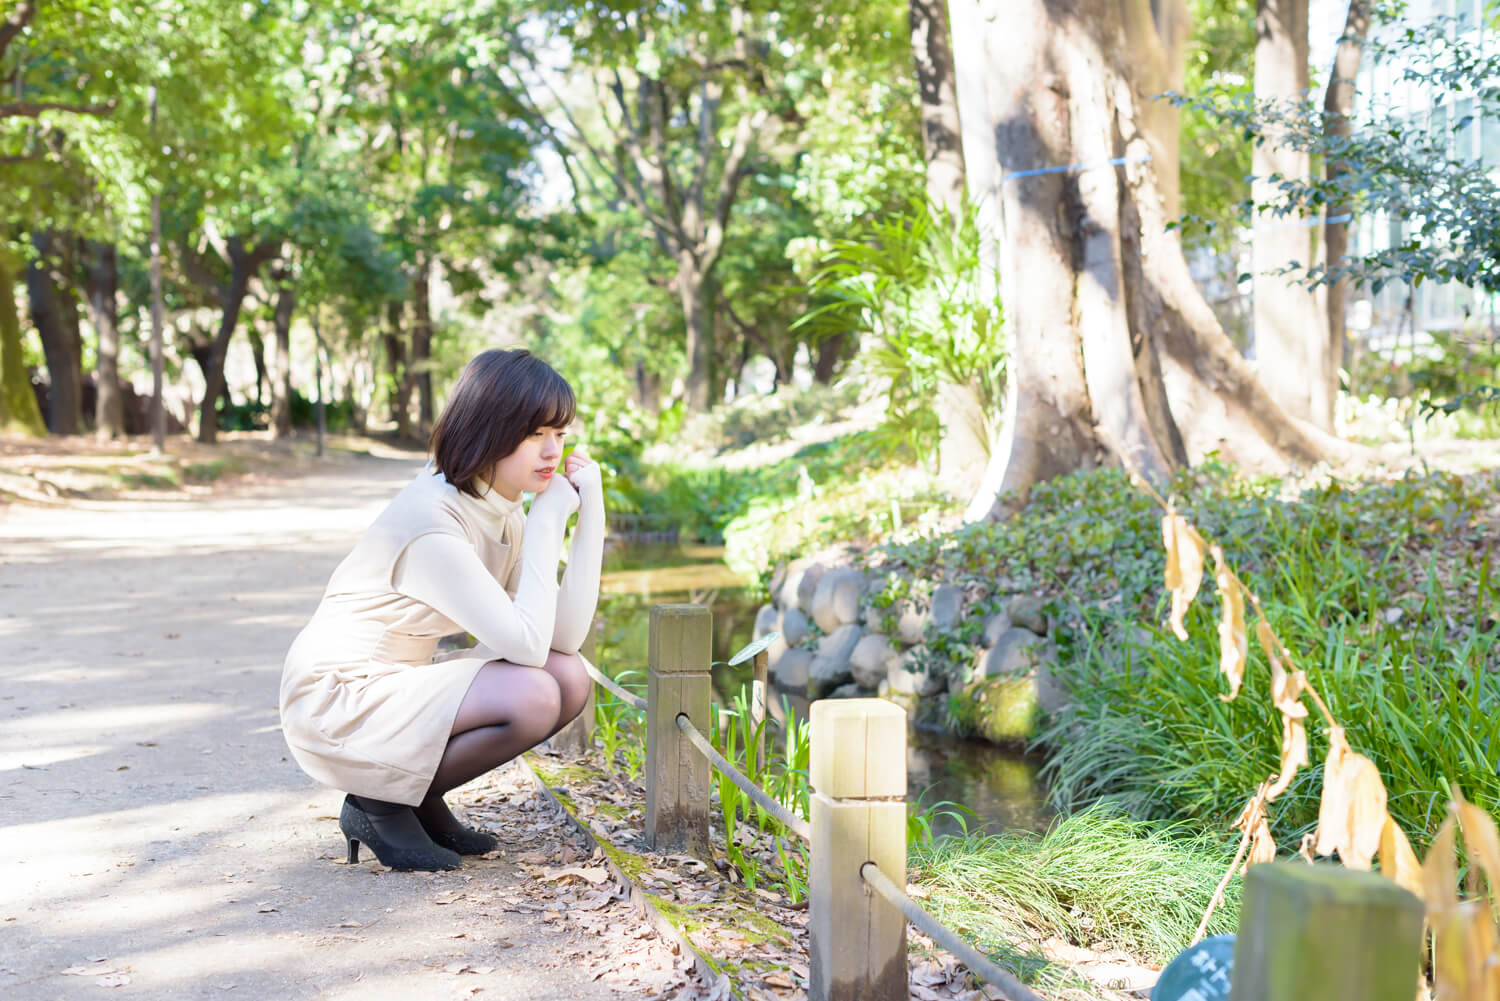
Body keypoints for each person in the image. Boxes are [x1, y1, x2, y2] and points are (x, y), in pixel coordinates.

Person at [279, 349, 604, 871]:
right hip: (336, 699)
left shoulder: (500, 503)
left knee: (568, 676)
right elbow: (524, 646)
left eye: (560, 435)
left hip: (392, 689)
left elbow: (561, 640)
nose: (551, 451)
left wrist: (593, 517)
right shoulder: (433, 520)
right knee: (534, 693)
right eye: (535, 433)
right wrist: (547, 524)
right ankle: (380, 801)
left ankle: (412, 796)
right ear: (490, 429)